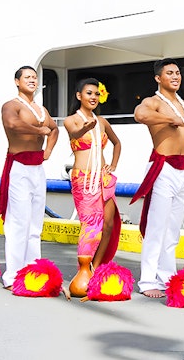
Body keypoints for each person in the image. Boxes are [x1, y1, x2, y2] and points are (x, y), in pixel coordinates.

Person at [131, 59, 184, 298]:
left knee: (172, 229)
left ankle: (167, 276)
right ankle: (148, 280)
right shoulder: (154, 102)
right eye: (169, 73)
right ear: (158, 78)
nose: (175, 76)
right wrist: (169, 120)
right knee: (157, 226)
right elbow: (139, 115)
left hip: (181, 169)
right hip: (162, 167)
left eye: (178, 72)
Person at [0, 66, 58, 288]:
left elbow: (54, 129)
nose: (32, 80)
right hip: (19, 166)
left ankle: (33, 270)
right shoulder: (11, 105)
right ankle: (12, 276)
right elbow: (12, 124)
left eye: (35, 77)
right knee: (19, 222)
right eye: (28, 77)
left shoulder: (40, 109)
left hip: (37, 167)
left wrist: (48, 151)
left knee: (35, 224)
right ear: (17, 81)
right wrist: (38, 131)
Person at [63, 78, 123, 268]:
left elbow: (117, 143)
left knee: (108, 225)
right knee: (90, 226)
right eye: (89, 93)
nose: (94, 97)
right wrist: (85, 128)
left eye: (97, 94)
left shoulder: (102, 122)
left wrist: (113, 164)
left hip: (103, 179)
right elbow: (74, 134)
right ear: (79, 96)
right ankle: (83, 271)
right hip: (84, 179)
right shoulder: (71, 120)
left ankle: (95, 268)